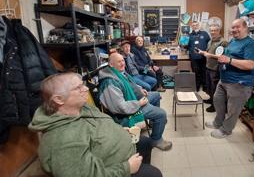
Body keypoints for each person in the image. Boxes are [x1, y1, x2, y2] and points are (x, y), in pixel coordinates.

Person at [28, 72, 162, 177]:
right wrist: (127, 168)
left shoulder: (82, 107)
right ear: (58, 99)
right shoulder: (63, 139)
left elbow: (100, 123)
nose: (86, 89)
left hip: (120, 151)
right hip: (117, 168)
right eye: (78, 88)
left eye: (83, 84)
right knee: (153, 173)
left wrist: (119, 130)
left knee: (145, 142)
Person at [98, 53, 172, 151]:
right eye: (119, 61)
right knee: (161, 114)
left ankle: (154, 124)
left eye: (123, 60)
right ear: (111, 64)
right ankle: (156, 140)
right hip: (130, 109)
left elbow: (131, 84)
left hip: (136, 100)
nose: (122, 63)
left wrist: (140, 89)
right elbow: (120, 107)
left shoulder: (119, 72)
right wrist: (139, 103)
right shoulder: (110, 82)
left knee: (156, 95)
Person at [205, 18, 254, 138]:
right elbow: (225, 56)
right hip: (225, 79)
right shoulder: (233, 41)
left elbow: (250, 64)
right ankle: (218, 122)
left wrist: (229, 60)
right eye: (233, 27)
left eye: (237, 27)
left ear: (245, 27)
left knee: (233, 109)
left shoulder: (251, 44)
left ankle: (226, 130)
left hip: (239, 83)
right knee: (217, 100)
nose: (234, 29)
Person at [198, 24, 228, 112]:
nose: (212, 32)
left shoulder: (223, 42)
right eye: (211, 30)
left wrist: (209, 55)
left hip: (216, 68)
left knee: (215, 88)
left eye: (215, 30)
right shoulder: (210, 41)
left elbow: (222, 57)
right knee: (209, 86)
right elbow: (209, 52)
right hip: (208, 66)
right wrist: (203, 52)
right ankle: (211, 100)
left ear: (219, 31)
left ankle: (215, 105)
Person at [188, 21, 211, 92]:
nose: (195, 26)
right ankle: (197, 87)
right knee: (196, 72)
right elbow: (186, 45)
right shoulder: (189, 35)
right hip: (194, 57)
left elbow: (210, 43)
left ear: (199, 25)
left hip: (203, 56)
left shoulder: (204, 34)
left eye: (196, 25)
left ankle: (205, 87)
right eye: (193, 25)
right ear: (191, 27)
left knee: (204, 72)